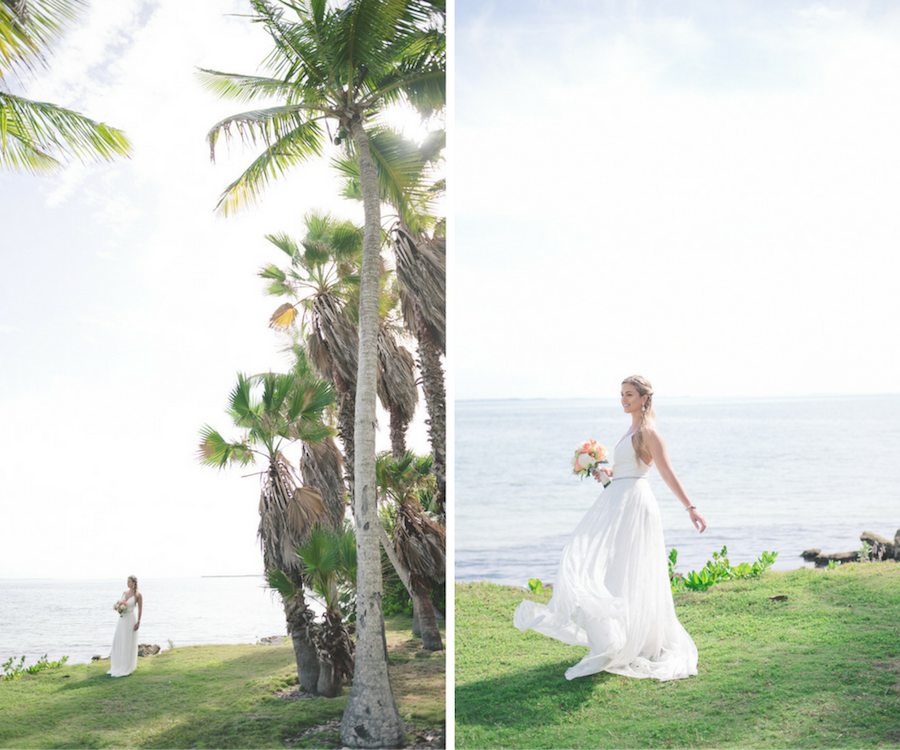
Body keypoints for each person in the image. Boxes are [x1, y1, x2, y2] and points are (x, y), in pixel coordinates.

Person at [513, 375, 706, 681]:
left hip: (636, 504)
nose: (623, 400)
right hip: (619, 499)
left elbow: (666, 472)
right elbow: (630, 468)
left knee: (632, 567)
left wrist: (690, 508)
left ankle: (639, 639)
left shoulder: (649, 432)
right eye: (621, 394)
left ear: (644, 398)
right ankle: (618, 636)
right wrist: (607, 473)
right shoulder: (630, 429)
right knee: (610, 565)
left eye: (629, 394)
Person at [107, 575, 143, 677]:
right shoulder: (124, 593)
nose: (127, 583)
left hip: (131, 619)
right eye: (127, 581)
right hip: (122, 619)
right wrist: (119, 609)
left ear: (134, 583)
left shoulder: (138, 595)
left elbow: (140, 609)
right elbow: (122, 604)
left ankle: (127, 665)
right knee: (118, 641)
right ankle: (118, 664)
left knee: (128, 642)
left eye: (129, 582)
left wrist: (138, 622)